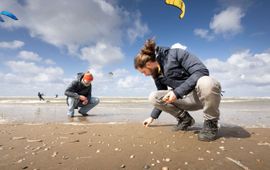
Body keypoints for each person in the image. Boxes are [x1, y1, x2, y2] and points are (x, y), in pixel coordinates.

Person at [134, 39, 222, 141]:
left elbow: (201, 71)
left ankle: (211, 123)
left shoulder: (175, 53)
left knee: (207, 82)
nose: (145, 75)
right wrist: (152, 117)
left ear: (148, 64)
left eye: (143, 72)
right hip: (185, 100)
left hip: (200, 96)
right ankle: (185, 119)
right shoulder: (156, 74)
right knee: (153, 97)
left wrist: (177, 92)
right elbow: (161, 97)